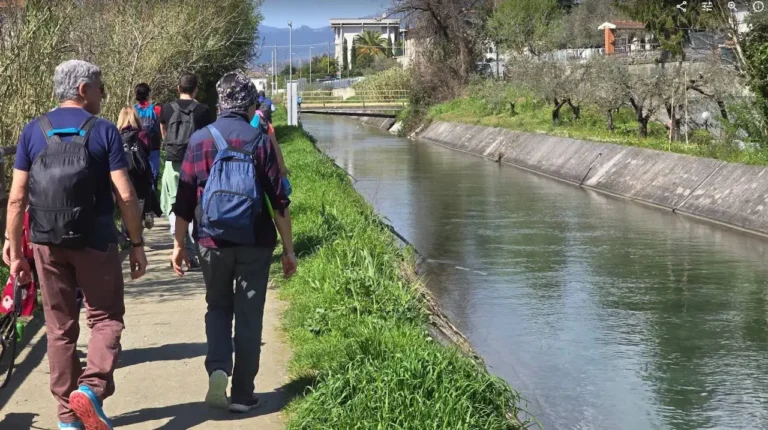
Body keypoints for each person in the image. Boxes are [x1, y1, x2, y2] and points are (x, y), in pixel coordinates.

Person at [7, 59, 147, 430]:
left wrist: (15, 252)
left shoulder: (32, 131)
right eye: (100, 87)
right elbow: (126, 195)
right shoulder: (103, 131)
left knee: (59, 327)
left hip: (44, 241)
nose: (103, 94)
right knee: (106, 317)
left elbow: (17, 198)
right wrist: (136, 242)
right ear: (83, 90)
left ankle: (68, 419)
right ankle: (91, 388)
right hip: (96, 240)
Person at [171, 71, 296, 413]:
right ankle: (242, 393)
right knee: (250, 315)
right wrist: (289, 250)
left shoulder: (199, 140)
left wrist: (179, 244)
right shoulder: (261, 141)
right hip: (255, 242)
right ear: (249, 103)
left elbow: (183, 202)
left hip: (211, 242)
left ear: (221, 102)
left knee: (218, 306)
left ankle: (218, 369)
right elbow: (279, 202)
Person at [159, 73, 214, 268]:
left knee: (175, 204)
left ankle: (181, 247)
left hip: (172, 162)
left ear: (177, 88)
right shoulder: (203, 110)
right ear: (196, 89)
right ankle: (194, 251)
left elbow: (163, 135)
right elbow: (210, 137)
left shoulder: (166, 108)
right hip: (196, 162)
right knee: (195, 202)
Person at [117, 106, 161, 237]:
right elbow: (147, 151)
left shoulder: (116, 135)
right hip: (141, 175)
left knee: (125, 204)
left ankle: (126, 235)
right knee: (142, 199)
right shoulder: (143, 134)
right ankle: (146, 215)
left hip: (124, 175)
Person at [134, 83, 162, 186]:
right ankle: (153, 200)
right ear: (148, 94)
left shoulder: (132, 110)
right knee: (153, 179)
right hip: (153, 148)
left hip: (137, 149)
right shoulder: (157, 110)